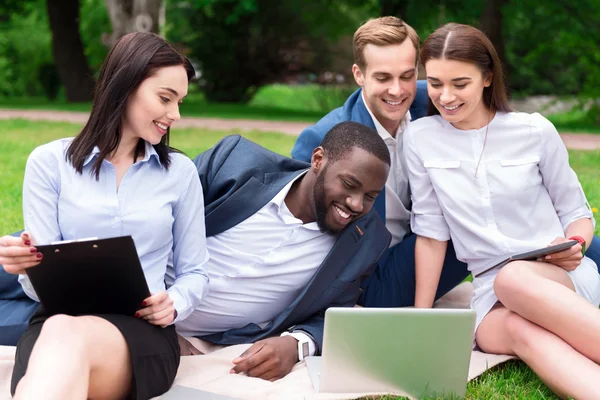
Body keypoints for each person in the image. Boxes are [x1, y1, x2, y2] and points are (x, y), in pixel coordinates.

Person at [0, 121, 392, 382]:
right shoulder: (236, 163)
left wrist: (298, 342)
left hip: (154, 329)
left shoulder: (365, 238)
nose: (356, 204)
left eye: (370, 196)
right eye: (350, 185)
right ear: (318, 160)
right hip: (117, 266)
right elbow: (151, 202)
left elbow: (341, 312)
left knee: (43, 339)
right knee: (18, 259)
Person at [291, 16, 600, 309]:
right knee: (471, 216)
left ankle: (561, 276)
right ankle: (527, 284)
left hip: (425, 239)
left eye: (408, 76)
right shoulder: (325, 139)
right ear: (359, 75)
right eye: (383, 78)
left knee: (567, 237)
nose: (397, 90)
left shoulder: (437, 96)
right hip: (373, 274)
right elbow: (297, 234)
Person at [4, 32, 212, 399]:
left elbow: (195, 272)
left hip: (142, 331)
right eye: (165, 98)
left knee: (62, 341)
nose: (175, 114)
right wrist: (27, 265)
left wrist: (174, 303)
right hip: (55, 322)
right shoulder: (48, 164)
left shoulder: (179, 173)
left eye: (179, 102)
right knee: (61, 333)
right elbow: (42, 286)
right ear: (125, 85)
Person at [407, 23, 600, 399]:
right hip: (487, 293)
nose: (445, 96)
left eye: (459, 83)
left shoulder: (534, 131)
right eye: (434, 83)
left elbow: (577, 212)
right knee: (519, 330)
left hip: (556, 279)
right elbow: (431, 234)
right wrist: (422, 318)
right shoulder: (420, 139)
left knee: (512, 278)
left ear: (487, 77)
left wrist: (573, 244)